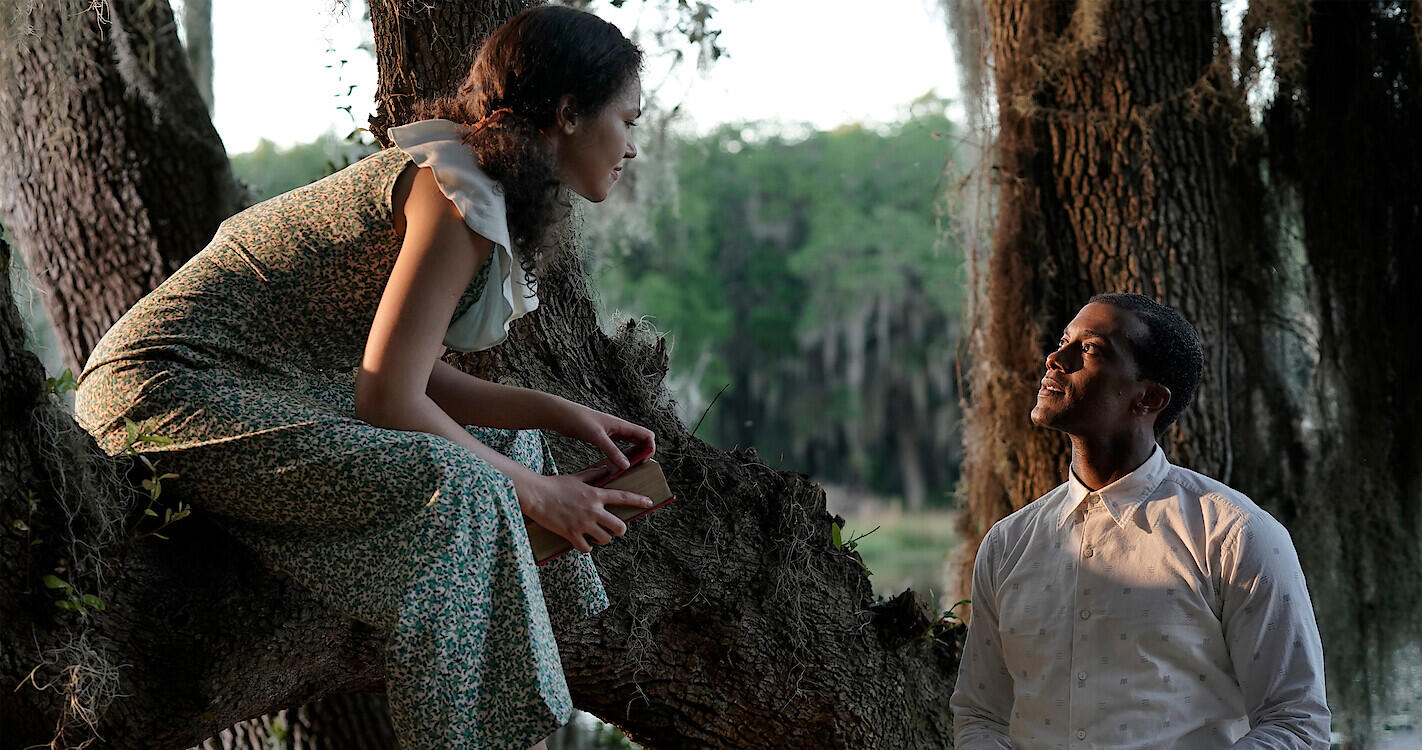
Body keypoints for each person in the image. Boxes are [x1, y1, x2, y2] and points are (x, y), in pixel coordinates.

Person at [75, 7, 654, 749]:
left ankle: (531, 695)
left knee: (517, 452)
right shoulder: (458, 194)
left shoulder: (476, 183)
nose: (634, 147)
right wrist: (534, 492)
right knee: (472, 488)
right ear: (569, 113)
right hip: (165, 390)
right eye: (627, 120)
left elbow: (405, 368)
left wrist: (554, 413)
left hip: (265, 386)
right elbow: (387, 397)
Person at [950, 293, 1330, 748]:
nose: (1055, 358)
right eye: (1063, 341)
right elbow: (981, 715)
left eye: (1089, 349)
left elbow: (1295, 723)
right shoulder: (1008, 544)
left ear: (1148, 397)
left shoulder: (1233, 534)